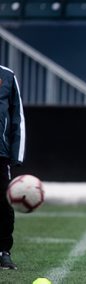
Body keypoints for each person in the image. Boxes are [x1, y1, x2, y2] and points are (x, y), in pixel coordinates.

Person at [0, 65, 25, 270]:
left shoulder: (7, 76)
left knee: (3, 205)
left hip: (0, 155)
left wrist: (16, 154)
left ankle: (3, 252)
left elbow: (17, 116)